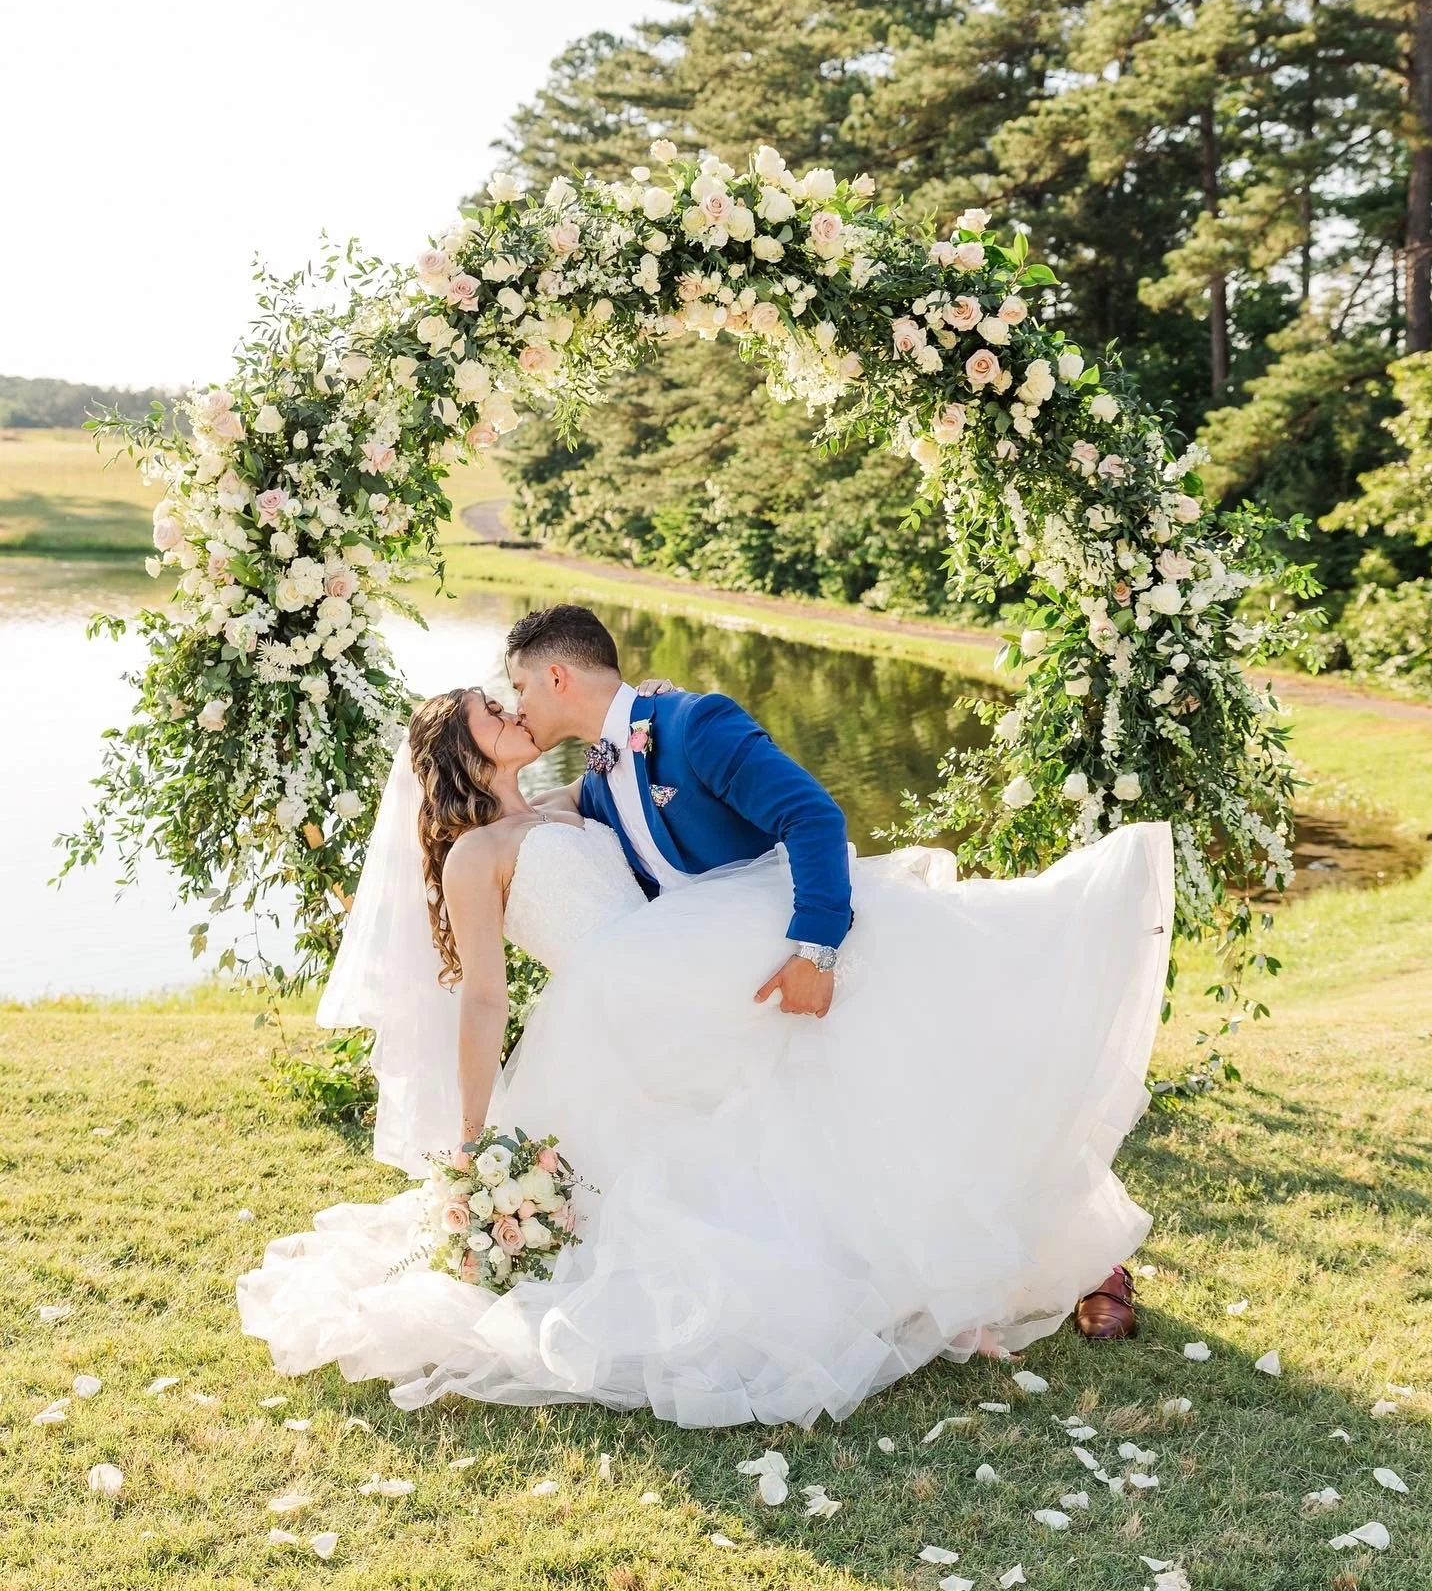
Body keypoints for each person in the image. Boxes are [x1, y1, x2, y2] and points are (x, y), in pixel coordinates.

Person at [237, 608, 1172, 1428]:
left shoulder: (597, 782)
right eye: (494, 708)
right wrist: (473, 1132)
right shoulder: (483, 850)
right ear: (461, 750)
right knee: (769, 1142)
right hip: (630, 1003)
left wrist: (812, 947)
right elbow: (484, 996)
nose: (513, 708)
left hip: (696, 965)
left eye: (513, 691)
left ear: (556, 678)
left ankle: (1035, 1260)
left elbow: (795, 814)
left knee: (872, 1068)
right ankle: (944, 1276)